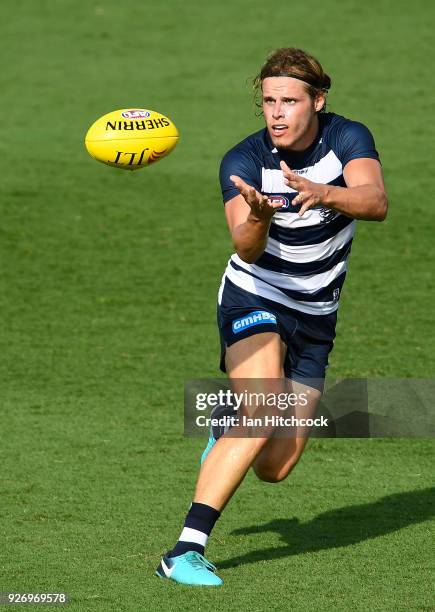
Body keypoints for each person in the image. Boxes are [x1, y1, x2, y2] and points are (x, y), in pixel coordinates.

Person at [155, 47, 388, 586]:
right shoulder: (242, 161)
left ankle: (225, 423)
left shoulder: (348, 139)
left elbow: (375, 202)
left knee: (275, 467)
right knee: (261, 409)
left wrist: (323, 192)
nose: (277, 113)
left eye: (289, 100)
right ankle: (184, 551)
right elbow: (247, 247)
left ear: (318, 100)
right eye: (267, 101)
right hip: (254, 295)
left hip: (316, 316)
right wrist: (259, 217)